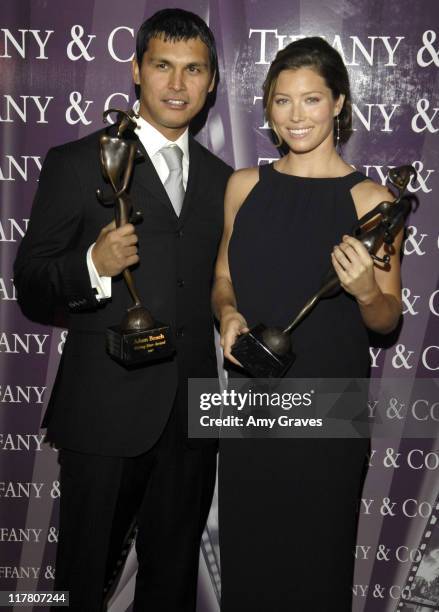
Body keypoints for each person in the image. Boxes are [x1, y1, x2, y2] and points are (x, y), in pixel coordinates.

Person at [14, 8, 232, 612]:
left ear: (212, 81)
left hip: (192, 417)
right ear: (136, 70)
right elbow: (31, 284)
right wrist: (91, 265)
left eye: (194, 70)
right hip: (104, 412)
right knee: (83, 582)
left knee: (171, 588)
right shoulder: (77, 161)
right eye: (163, 66)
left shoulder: (224, 180)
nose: (178, 84)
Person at [212, 37, 403, 610]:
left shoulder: (373, 201)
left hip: (332, 410)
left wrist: (367, 289)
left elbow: (386, 317)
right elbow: (223, 275)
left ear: (339, 103)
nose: (296, 116)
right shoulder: (244, 186)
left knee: (315, 569)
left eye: (312, 100)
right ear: (267, 105)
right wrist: (227, 313)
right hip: (251, 406)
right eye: (282, 100)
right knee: (249, 563)